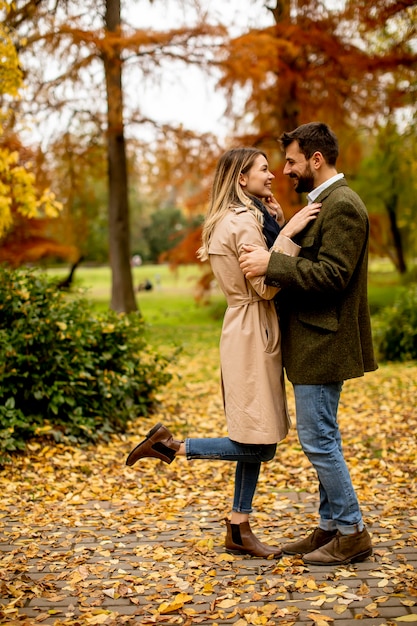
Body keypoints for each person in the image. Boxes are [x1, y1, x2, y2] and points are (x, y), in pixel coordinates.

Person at [125, 147, 320, 558]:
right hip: (253, 330)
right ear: (241, 179)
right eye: (264, 170)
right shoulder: (242, 224)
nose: (272, 176)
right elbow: (265, 286)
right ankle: (173, 447)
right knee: (261, 443)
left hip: (246, 328)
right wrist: (289, 234)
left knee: (256, 431)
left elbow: (260, 265)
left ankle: (238, 527)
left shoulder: (234, 219)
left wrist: (277, 223)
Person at [239, 122, 378, 566]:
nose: (286, 170)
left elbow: (334, 276)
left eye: (293, 161)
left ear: (316, 159)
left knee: (318, 439)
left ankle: (353, 531)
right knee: (324, 436)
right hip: (313, 341)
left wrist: (271, 263)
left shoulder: (344, 206)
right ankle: (330, 527)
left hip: (325, 343)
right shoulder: (323, 203)